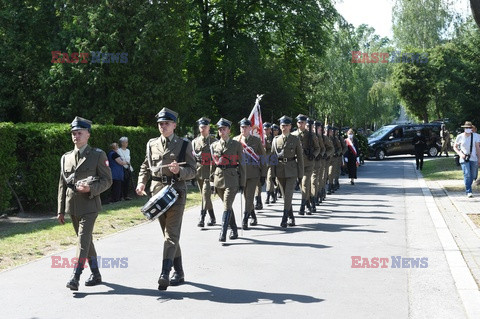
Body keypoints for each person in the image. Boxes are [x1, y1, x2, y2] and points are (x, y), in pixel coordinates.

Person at [136, 107, 196, 290]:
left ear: (174, 125)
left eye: (166, 123)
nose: (163, 126)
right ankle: (179, 271)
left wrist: (180, 171)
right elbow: (145, 166)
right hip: (157, 194)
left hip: (176, 192)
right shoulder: (151, 144)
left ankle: (165, 273)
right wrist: (141, 183)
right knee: (168, 235)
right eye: (160, 124)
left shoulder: (184, 144)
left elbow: (193, 171)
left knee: (171, 235)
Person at [57, 116, 113, 291]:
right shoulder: (66, 157)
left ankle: (75, 276)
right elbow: (62, 185)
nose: (76, 136)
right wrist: (60, 210)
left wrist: (91, 188)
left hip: (90, 205)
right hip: (72, 206)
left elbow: (107, 180)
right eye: (73, 133)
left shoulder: (97, 154)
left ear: (88, 134)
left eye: (79, 133)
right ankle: (96, 274)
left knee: (82, 241)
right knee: (86, 241)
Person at [210, 118, 246, 242]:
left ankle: (223, 233)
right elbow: (212, 165)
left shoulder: (236, 145)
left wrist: (242, 182)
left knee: (226, 205)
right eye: (219, 129)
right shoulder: (214, 145)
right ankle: (234, 229)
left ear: (229, 130)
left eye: (223, 129)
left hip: (232, 178)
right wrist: (211, 182)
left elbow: (242, 164)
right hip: (218, 178)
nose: (221, 131)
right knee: (228, 206)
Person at [234, 118, 267, 229]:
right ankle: (253, 215)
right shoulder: (236, 140)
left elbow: (262, 157)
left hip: (253, 173)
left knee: (249, 197)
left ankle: (245, 218)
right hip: (241, 174)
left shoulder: (256, 141)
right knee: (245, 197)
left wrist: (263, 174)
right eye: (242, 127)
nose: (243, 129)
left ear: (250, 128)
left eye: (245, 127)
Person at [271, 116, 304, 227]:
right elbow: (272, 158)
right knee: (285, 196)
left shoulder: (295, 139)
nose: (284, 128)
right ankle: (291, 217)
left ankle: (284, 218)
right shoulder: (275, 140)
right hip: (280, 170)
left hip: (292, 170)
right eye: (282, 125)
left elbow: (300, 158)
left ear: (290, 126)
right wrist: (272, 174)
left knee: (289, 194)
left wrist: (300, 175)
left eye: (286, 125)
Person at [292, 115, 320, 215]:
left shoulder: (311, 135)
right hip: (297, 164)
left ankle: (302, 207)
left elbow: (317, 148)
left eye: (302, 123)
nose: (301, 124)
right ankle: (308, 204)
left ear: (305, 124)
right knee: (302, 186)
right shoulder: (293, 135)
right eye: (299, 123)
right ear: (297, 123)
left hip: (308, 163)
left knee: (305, 183)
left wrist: (313, 155)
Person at [192, 117, 217, 227]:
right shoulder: (194, 142)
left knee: (205, 195)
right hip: (199, 171)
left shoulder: (214, 141)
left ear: (209, 128)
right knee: (204, 195)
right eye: (201, 127)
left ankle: (202, 217)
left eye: (205, 127)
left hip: (210, 172)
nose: (203, 129)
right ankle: (212, 217)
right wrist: (192, 175)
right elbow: (193, 159)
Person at [454, 121, 480, 198]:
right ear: (464, 128)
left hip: (473, 158)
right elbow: (455, 147)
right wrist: (460, 154)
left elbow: (477, 148)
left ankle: (469, 185)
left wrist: (479, 158)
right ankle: (469, 190)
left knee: (474, 175)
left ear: (472, 128)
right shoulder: (460, 136)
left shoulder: (475, 136)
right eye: (466, 128)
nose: (468, 129)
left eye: (469, 128)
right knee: (467, 174)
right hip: (464, 158)